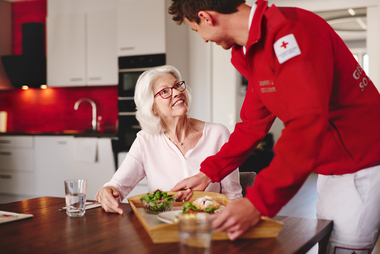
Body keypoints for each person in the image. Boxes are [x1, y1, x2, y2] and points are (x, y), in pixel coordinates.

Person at [168, 0, 380, 253]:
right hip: (333, 168)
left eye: (196, 30)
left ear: (206, 17)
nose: (202, 39)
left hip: (362, 168)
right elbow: (252, 125)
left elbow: (306, 123)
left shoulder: (292, 32)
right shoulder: (253, 50)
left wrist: (256, 204)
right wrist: (207, 173)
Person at [95, 65, 242, 215]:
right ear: (153, 108)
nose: (177, 92)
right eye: (165, 91)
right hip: (161, 227)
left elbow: (233, 197)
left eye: (177, 85)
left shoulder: (218, 134)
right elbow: (117, 186)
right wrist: (106, 192)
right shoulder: (145, 140)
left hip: (209, 227)